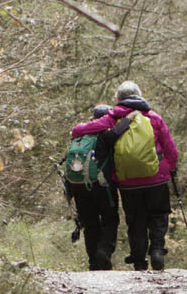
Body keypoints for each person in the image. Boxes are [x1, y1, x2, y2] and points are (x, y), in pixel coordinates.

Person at [71, 81, 178, 270]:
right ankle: (157, 250)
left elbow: (79, 130)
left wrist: (78, 128)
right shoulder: (153, 118)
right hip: (157, 177)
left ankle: (138, 260)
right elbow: (170, 148)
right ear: (140, 95)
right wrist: (170, 168)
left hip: (127, 180)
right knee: (159, 214)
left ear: (119, 99)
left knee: (135, 218)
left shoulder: (114, 118)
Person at [66, 104, 119, 271]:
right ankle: (104, 250)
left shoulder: (79, 136)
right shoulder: (106, 135)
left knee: (90, 222)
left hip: (78, 186)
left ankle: (93, 262)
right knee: (110, 219)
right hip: (102, 185)